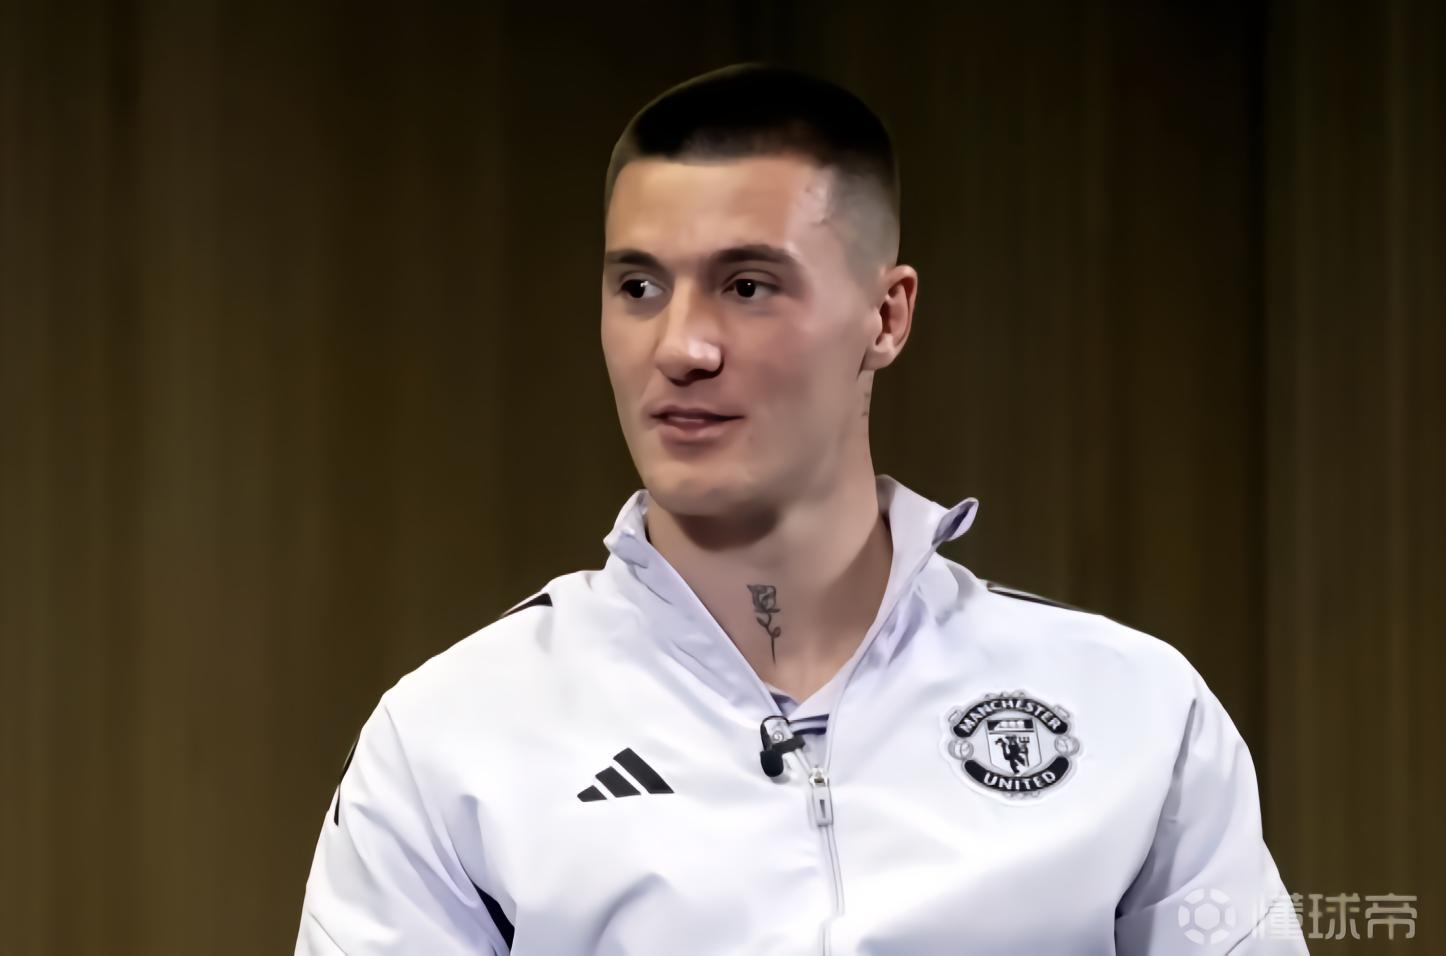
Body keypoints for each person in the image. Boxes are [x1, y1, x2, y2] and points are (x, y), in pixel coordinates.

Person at [296, 63, 1307, 955]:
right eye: (639, 287)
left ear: (886, 315)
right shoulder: (453, 740)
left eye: (746, 285)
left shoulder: (1134, 713)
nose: (680, 347)